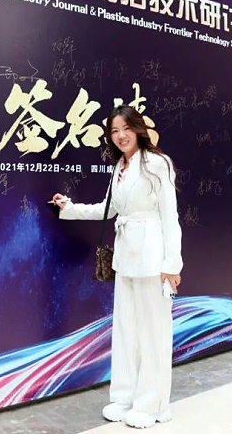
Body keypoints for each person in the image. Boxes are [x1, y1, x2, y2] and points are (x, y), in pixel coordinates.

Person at [50, 105, 183, 429]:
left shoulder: (158, 163)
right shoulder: (119, 167)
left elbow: (171, 216)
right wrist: (69, 208)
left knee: (153, 334)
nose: (121, 135)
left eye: (126, 128)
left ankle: (150, 404)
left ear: (138, 129)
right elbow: (107, 209)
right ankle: (124, 398)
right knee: (126, 331)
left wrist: (172, 264)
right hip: (125, 260)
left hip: (153, 261)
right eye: (114, 131)